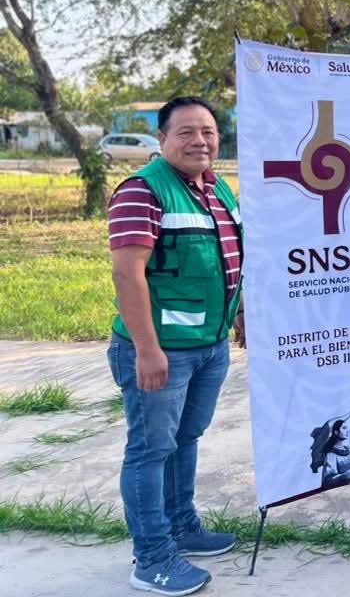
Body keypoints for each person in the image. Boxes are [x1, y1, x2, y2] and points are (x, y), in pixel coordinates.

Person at [106, 96, 243, 595]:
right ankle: (152, 558)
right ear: (162, 139)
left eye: (208, 132)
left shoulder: (216, 188)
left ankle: (182, 526)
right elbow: (127, 274)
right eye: (186, 132)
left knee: (185, 439)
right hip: (161, 350)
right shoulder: (142, 191)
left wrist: (239, 313)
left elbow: (228, 257)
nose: (199, 141)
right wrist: (147, 349)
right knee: (150, 450)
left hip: (209, 345)